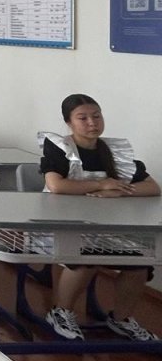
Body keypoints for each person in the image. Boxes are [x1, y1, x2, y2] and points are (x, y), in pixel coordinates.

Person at [40, 93, 160, 342]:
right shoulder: (60, 148)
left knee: (139, 261)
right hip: (60, 225)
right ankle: (60, 312)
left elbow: (153, 187)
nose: (92, 123)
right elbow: (56, 185)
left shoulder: (115, 151)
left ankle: (121, 318)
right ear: (69, 122)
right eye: (82, 118)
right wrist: (101, 184)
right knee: (87, 256)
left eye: (96, 116)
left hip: (105, 227)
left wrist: (120, 191)